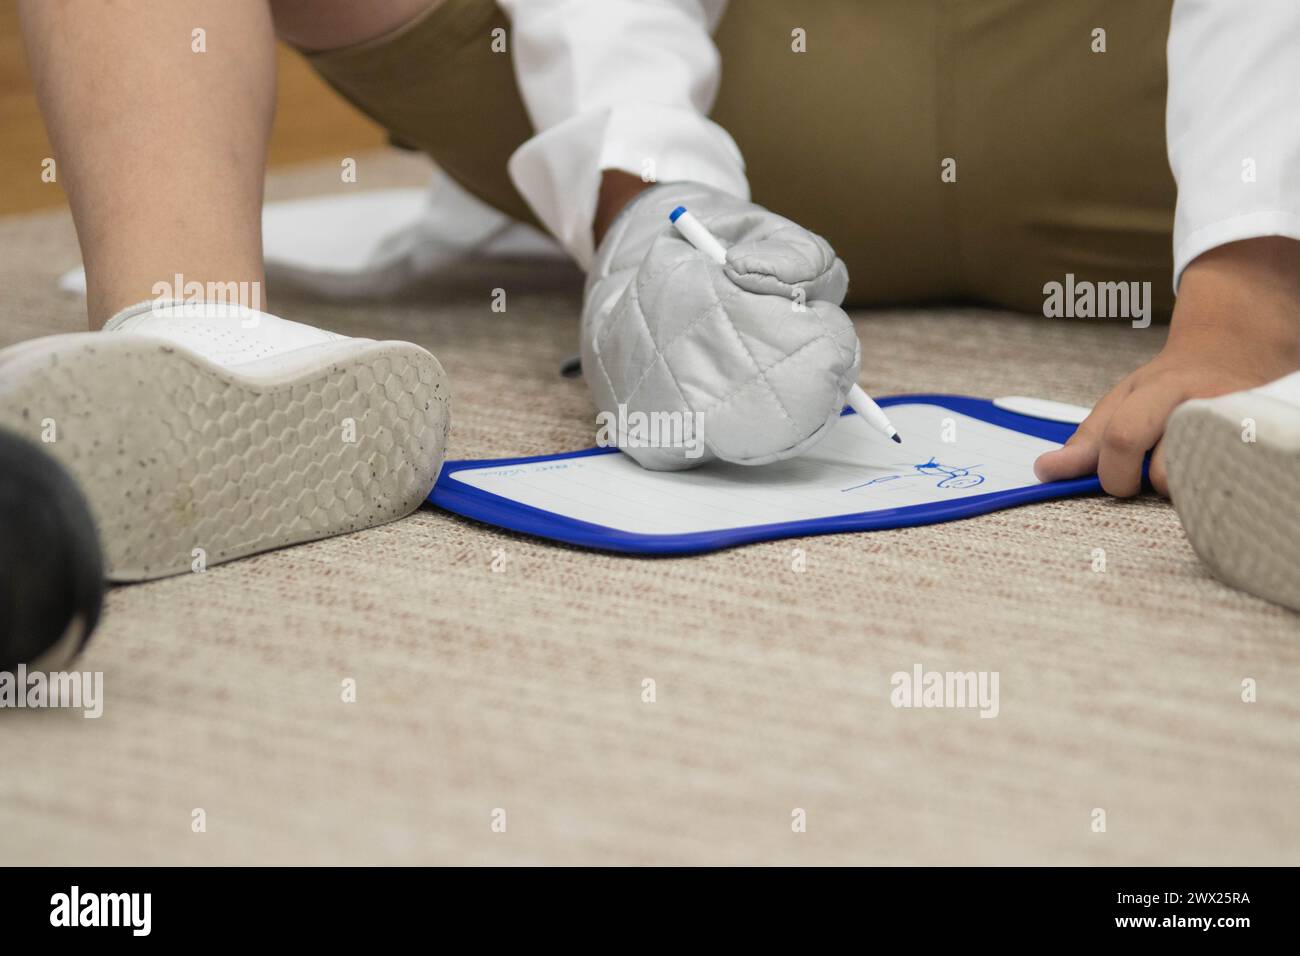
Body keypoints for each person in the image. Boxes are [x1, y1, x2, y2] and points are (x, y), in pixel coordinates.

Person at [2, 0, 1297, 606]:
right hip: (755, 62)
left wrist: (1246, 301)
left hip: (1136, 103)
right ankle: (198, 340)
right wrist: (649, 197)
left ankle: (1273, 387)